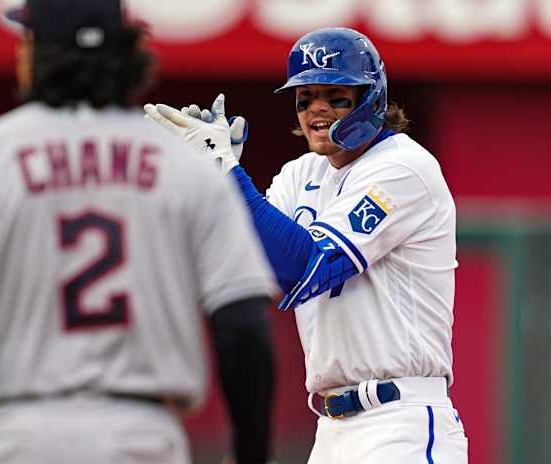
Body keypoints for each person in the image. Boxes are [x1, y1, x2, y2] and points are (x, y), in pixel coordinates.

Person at [0, 1, 278, 463]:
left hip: (21, 432)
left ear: (35, 52)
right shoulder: (190, 170)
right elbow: (242, 328)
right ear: (127, 53)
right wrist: (251, 454)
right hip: (142, 435)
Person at [144, 27, 468, 463]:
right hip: (332, 429)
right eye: (305, 96)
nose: (317, 108)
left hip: (401, 421)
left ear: (370, 98)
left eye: (335, 94)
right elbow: (252, 263)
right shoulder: (301, 173)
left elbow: (307, 269)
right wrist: (207, 182)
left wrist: (226, 173)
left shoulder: (405, 168)